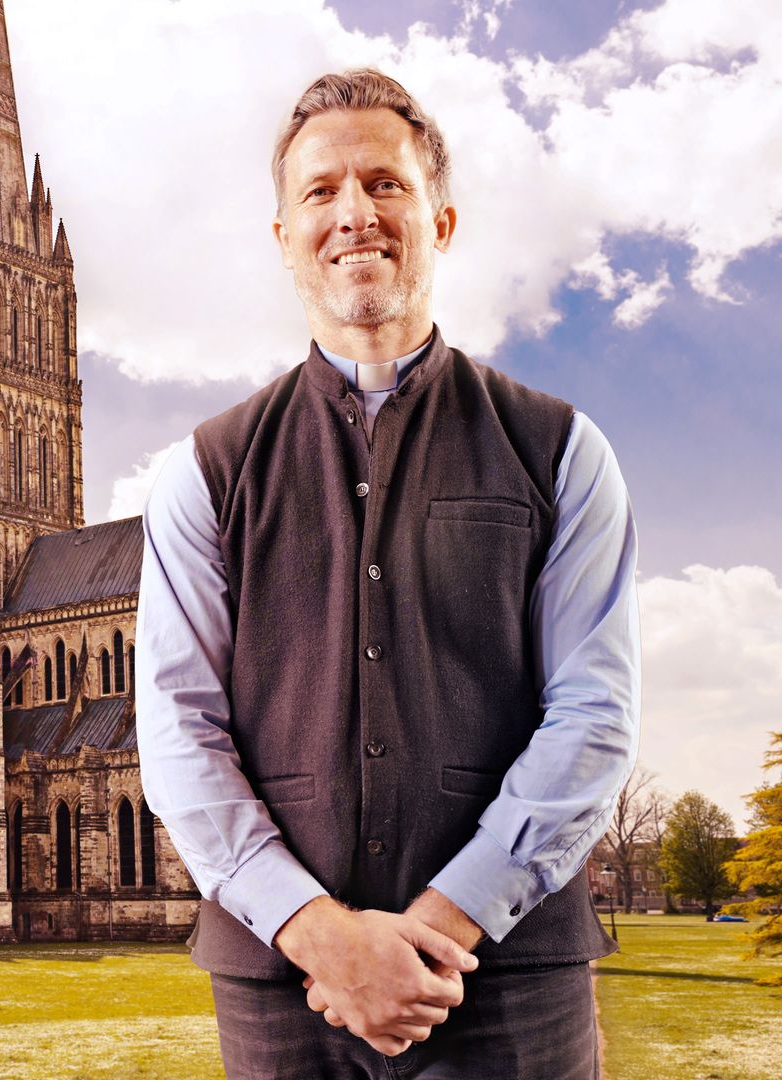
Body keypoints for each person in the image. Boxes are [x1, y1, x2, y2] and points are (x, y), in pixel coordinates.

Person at [134, 70, 639, 1078]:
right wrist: (319, 933)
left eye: (386, 184)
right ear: (283, 239)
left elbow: (594, 718)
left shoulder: (562, 450)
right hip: (288, 993)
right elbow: (177, 731)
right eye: (320, 191)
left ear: (440, 220)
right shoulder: (199, 474)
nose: (354, 213)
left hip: (510, 994)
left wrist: (444, 928)